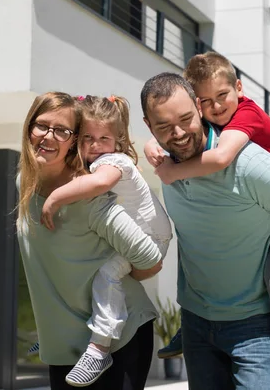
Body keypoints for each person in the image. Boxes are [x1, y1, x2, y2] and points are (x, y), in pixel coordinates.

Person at [141, 73, 270, 390]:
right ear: (149, 126)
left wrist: (268, 255)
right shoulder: (164, 165)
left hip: (254, 328)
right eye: (163, 127)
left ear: (199, 108)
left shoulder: (252, 165)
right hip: (196, 325)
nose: (178, 133)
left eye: (186, 119)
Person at [17, 91, 163, 390]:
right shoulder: (25, 183)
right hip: (65, 343)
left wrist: (113, 274)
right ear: (28, 127)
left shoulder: (87, 197)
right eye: (41, 125)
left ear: (72, 140)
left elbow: (150, 259)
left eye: (62, 131)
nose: (48, 136)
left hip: (117, 338)